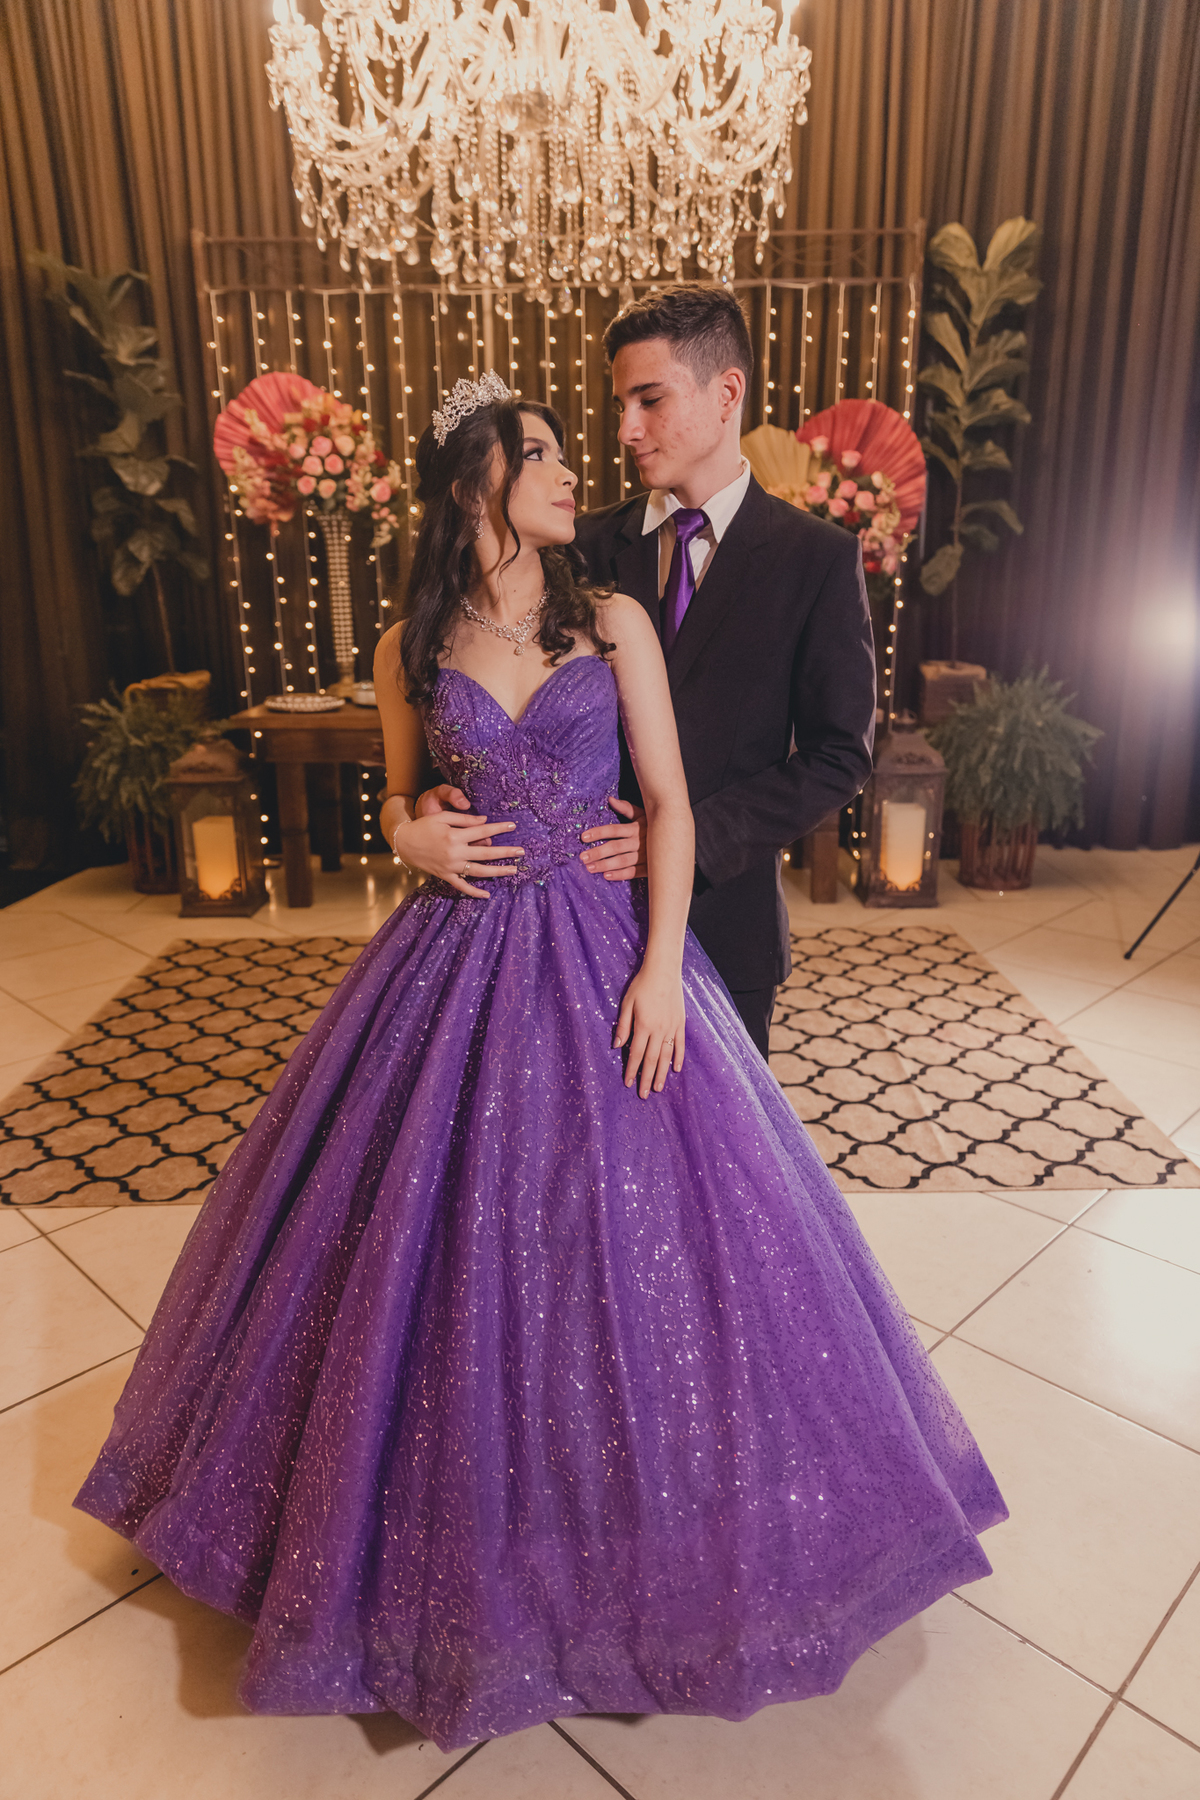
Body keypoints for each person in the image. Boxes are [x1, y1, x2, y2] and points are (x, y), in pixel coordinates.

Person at [76, 378, 1005, 1755]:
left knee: (634, 1241)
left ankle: (645, 1545)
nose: (578, 470)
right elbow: (400, 794)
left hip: (603, 947)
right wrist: (410, 836)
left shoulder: (613, 619)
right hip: (451, 960)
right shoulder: (408, 645)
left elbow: (670, 805)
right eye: (545, 454)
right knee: (436, 1237)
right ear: (477, 485)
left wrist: (660, 968)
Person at [414, 285, 877, 1058]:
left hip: (723, 915)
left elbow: (841, 755)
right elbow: (492, 669)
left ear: (726, 393)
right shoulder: (577, 543)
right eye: (621, 404)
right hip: (561, 918)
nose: (626, 428)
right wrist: (435, 795)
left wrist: (687, 838)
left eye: (650, 400)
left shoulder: (816, 558)